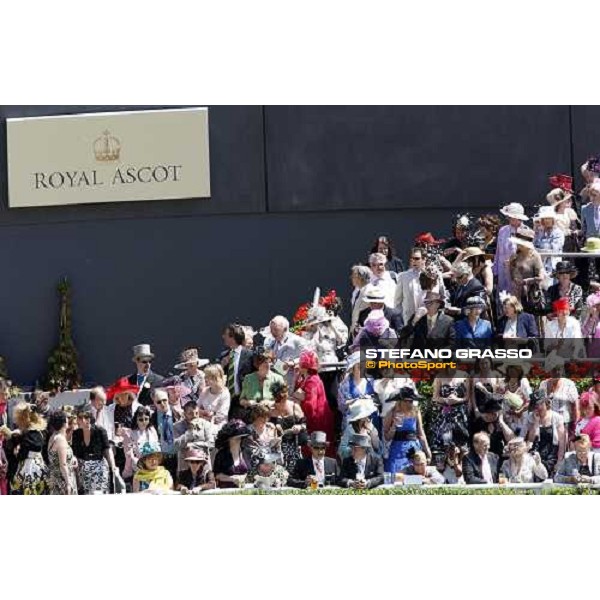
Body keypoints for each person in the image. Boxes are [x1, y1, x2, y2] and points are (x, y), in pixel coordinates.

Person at [292, 350, 336, 457]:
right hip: (317, 420)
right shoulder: (307, 378)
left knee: (316, 449)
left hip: (316, 422)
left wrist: (299, 401)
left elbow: (310, 405)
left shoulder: (312, 381)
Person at [383, 388, 430, 473]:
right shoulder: (392, 413)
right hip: (397, 449)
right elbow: (386, 437)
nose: (408, 403)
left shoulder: (416, 411)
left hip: (414, 448)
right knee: (397, 476)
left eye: (411, 401)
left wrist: (427, 451)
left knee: (415, 475)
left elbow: (421, 433)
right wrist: (394, 426)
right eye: (405, 401)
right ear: (400, 401)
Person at [72, 405, 116, 494]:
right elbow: (75, 453)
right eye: (80, 417)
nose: (84, 420)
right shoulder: (76, 433)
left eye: (87, 417)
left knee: (98, 493)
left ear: (91, 418)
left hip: (99, 467)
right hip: (83, 469)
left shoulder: (100, 431)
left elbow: (107, 450)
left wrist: (113, 467)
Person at [538, 352, 580, 441]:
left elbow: (576, 405)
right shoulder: (543, 384)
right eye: (554, 369)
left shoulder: (569, 384)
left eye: (559, 369)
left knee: (562, 450)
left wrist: (576, 426)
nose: (557, 372)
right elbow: (540, 404)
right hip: (547, 424)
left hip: (564, 423)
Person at [10, 402, 49, 495]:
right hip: (40, 466)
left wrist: (16, 452)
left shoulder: (27, 436)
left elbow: (21, 455)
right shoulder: (39, 432)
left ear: (22, 419)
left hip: (28, 469)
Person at [431, 363, 470, 452]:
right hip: (445, 412)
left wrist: (457, 400)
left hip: (460, 413)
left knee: (461, 442)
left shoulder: (464, 375)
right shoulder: (440, 376)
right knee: (445, 440)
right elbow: (435, 397)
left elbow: (468, 397)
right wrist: (446, 400)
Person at [494, 203, 530, 298]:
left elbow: (526, 254)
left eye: (513, 217)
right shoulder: (503, 230)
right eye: (509, 217)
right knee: (502, 296)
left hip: (517, 271)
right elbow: (498, 252)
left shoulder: (526, 231)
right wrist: (495, 271)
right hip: (502, 270)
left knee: (516, 297)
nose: (510, 219)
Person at [269, 380, 306, 473]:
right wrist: (273, 428)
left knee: (295, 471)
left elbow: (305, 424)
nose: (283, 397)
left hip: (294, 446)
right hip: (277, 448)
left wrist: (299, 427)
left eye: (285, 393)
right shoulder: (270, 409)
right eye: (279, 396)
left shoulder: (294, 406)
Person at [508, 227, 547, 314]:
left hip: (532, 295)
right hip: (517, 294)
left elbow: (541, 277)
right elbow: (511, 276)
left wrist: (527, 281)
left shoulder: (535, 256)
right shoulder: (514, 256)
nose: (518, 245)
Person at [525, 394, 565, 476]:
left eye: (540, 404)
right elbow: (531, 440)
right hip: (536, 455)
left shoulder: (556, 417)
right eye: (536, 405)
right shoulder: (530, 417)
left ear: (546, 403)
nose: (538, 407)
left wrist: (559, 460)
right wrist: (536, 422)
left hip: (552, 455)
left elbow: (562, 441)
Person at [221, 323, 256, 416]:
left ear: (233, 338)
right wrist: (222, 365)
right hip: (228, 402)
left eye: (226, 335)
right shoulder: (224, 356)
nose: (223, 337)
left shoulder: (250, 355)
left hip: (245, 401)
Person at [173, 400, 215, 477]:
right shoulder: (177, 427)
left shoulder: (205, 424)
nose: (194, 416)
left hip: (202, 459)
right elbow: (175, 445)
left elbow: (211, 444)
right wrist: (189, 433)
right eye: (190, 414)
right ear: (184, 414)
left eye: (196, 413)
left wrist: (193, 445)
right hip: (185, 462)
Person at [264, 315, 307, 388]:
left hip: (292, 381)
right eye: (271, 330)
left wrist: (293, 362)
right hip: (276, 382)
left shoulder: (297, 340)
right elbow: (269, 360)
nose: (273, 333)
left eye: (276, 329)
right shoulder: (271, 342)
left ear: (285, 329)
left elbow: (308, 356)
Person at [336, 352, 376, 428]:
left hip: (370, 422)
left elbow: (377, 400)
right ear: (352, 368)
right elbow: (341, 406)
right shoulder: (345, 385)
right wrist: (355, 402)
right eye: (359, 366)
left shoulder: (371, 381)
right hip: (352, 424)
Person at [239, 350, 285, 415]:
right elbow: (242, 400)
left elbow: (284, 400)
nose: (268, 365)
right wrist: (249, 402)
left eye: (270, 362)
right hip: (252, 415)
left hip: (272, 415)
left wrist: (271, 403)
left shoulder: (278, 378)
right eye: (265, 362)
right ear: (258, 364)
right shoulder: (248, 378)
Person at [243, 403, 281, 477]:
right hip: (255, 462)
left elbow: (275, 447)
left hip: (271, 460)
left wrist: (277, 442)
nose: (265, 419)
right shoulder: (248, 430)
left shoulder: (271, 427)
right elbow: (250, 450)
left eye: (267, 417)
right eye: (262, 417)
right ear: (255, 416)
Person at [122, 406, 159, 481]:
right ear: (136, 420)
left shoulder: (152, 430)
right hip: (139, 468)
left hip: (154, 465)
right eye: (141, 420)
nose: (144, 422)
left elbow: (158, 447)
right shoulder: (130, 433)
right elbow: (129, 455)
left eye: (146, 419)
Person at [496, 361, 532, 438]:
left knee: (518, 441)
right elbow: (498, 398)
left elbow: (529, 400)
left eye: (515, 368)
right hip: (506, 418)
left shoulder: (523, 382)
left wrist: (520, 410)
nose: (512, 371)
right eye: (510, 368)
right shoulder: (503, 382)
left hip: (520, 419)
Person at [46, 410, 78, 495]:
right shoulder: (60, 439)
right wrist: (68, 483)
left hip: (55, 478)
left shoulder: (53, 437)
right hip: (62, 479)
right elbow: (63, 464)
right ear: (64, 423)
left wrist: (72, 459)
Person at [149, 389, 179, 480]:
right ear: (154, 403)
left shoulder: (178, 414)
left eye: (164, 400)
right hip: (162, 457)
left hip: (177, 455)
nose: (162, 404)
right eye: (159, 402)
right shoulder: (152, 419)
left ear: (168, 399)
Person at [213, 420, 251, 489]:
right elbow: (217, 475)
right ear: (229, 439)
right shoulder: (221, 454)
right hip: (225, 490)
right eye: (236, 438)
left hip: (243, 489)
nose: (238, 440)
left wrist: (242, 478)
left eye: (240, 438)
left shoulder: (245, 452)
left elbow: (248, 471)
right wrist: (232, 479)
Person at [394, 247, 427, 323]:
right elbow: (397, 301)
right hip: (407, 320)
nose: (414, 261)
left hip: (425, 320)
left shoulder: (430, 276)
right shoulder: (403, 276)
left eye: (417, 258)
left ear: (424, 259)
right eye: (412, 258)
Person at [533, 206, 565, 279]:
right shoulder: (538, 232)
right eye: (544, 218)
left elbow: (554, 249)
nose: (547, 221)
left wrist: (539, 250)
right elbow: (533, 247)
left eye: (549, 218)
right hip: (539, 265)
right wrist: (535, 229)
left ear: (553, 219)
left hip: (553, 266)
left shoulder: (558, 233)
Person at [197, 364, 230, 432]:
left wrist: (203, 416)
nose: (205, 379)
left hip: (218, 427)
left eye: (207, 377)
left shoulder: (225, 394)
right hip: (202, 423)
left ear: (215, 378)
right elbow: (196, 408)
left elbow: (220, 417)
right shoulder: (205, 390)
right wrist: (204, 413)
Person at [350, 265, 373, 337]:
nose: (351, 278)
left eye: (354, 275)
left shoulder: (369, 291)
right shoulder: (359, 291)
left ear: (360, 277)